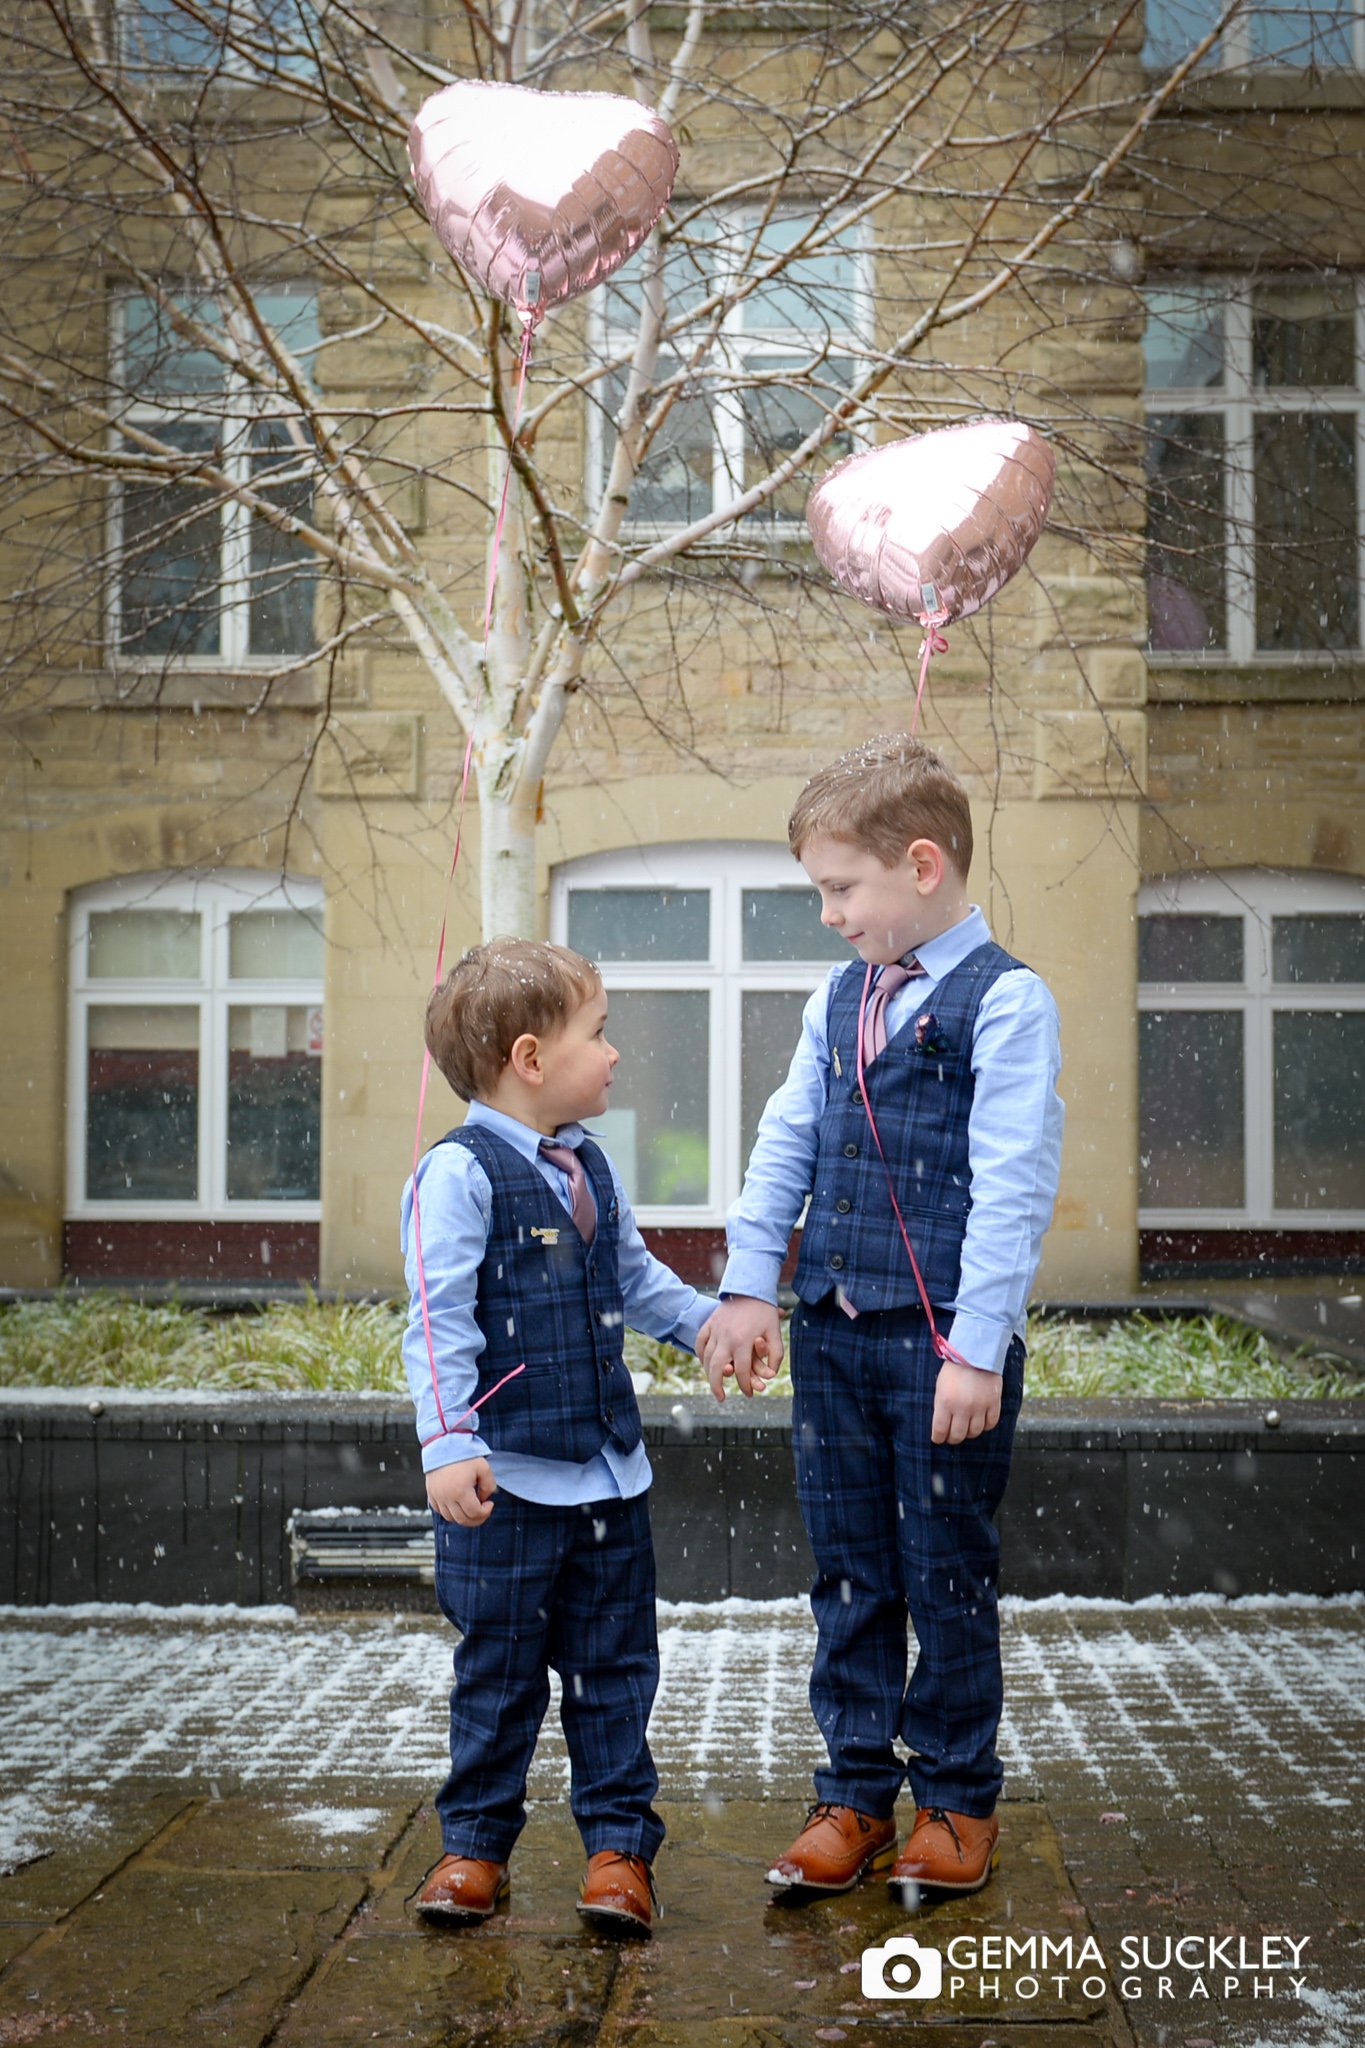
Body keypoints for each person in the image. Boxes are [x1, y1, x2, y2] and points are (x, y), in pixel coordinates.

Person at [698, 733, 1063, 1904]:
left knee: (943, 1568)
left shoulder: (1007, 1000)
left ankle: (957, 1798)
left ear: (919, 865)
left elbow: (1012, 1185)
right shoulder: (838, 995)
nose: (829, 914)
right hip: (834, 1329)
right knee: (850, 1571)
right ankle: (853, 1790)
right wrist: (753, 1281)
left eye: (838, 888)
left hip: (938, 1346)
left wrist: (972, 1345)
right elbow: (787, 1138)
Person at [401, 937, 716, 1938]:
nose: (615, 1053)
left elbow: (632, 1278)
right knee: (497, 1672)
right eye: (600, 1031)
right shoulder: (460, 1173)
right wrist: (448, 1439)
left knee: (617, 1671)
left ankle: (619, 1849)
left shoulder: (591, 1164)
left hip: (609, 1481)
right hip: (506, 1489)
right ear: (532, 1058)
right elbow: (437, 1314)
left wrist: (707, 1324)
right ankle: (474, 1846)